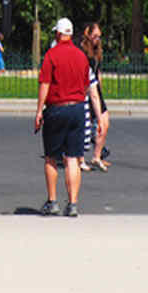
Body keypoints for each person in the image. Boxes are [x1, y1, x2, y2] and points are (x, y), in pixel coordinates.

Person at [35, 17, 103, 217]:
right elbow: (85, 85)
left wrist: (39, 110)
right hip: (77, 109)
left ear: (58, 33)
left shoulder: (51, 55)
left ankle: (53, 201)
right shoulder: (82, 57)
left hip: (56, 109)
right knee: (73, 158)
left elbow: (45, 84)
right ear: (71, 34)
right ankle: (73, 204)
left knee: (51, 157)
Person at [80, 23, 110, 172]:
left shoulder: (98, 50)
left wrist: (101, 87)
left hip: (96, 90)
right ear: (89, 34)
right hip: (87, 91)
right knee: (86, 125)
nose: (98, 39)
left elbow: (98, 72)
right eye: (95, 36)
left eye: (99, 36)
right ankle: (79, 158)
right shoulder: (83, 50)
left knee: (105, 123)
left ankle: (97, 157)